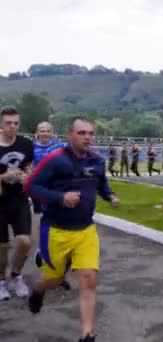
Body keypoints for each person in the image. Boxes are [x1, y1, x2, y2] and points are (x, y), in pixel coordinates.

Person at [25, 116, 120, 342]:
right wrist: (60, 197)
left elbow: (101, 185)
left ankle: (87, 335)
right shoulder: (55, 160)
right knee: (54, 281)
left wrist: (110, 196)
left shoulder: (97, 160)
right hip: (56, 231)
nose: (87, 137)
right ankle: (39, 290)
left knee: (88, 278)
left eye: (90, 133)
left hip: (85, 231)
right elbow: (30, 187)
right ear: (70, 135)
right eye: (82, 133)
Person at [32, 121, 72, 291]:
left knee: (66, 234)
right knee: (46, 229)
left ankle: (60, 274)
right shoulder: (31, 149)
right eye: (42, 130)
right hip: (41, 194)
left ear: (53, 133)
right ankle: (43, 254)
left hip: (59, 193)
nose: (45, 133)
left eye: (48, 130)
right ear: (37, 133)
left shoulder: (60, 147)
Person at [0, 107, 34, 301]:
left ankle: (16, 274)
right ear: (1, 124)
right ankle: (1, 282)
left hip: (19, 199)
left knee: (24, 241)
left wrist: (26, 176)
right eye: (8, 123)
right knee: (2, 247)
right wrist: (6, 176)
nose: (12, 127)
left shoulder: (25, 144)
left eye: (16, 123)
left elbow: (29, 167)